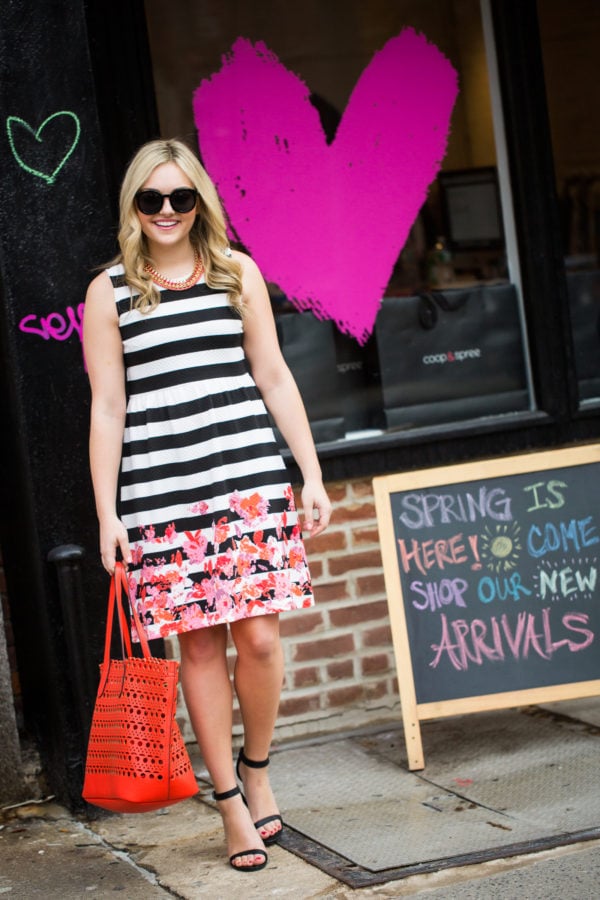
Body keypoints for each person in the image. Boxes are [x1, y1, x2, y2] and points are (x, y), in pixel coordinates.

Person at [83, 139, 331, 873]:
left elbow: (274, 375)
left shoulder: (237, 272)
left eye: (180, 197)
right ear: (133, 206)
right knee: (197, 647)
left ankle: (257, 768)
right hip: (163, 496)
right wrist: (107, 514)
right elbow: (107, 408)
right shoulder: (109, 291)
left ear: (200, 203)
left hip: (249, 483)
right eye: (151, 198)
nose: (166, 211)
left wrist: (311, 473)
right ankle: (228, 803)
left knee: (259, 640)